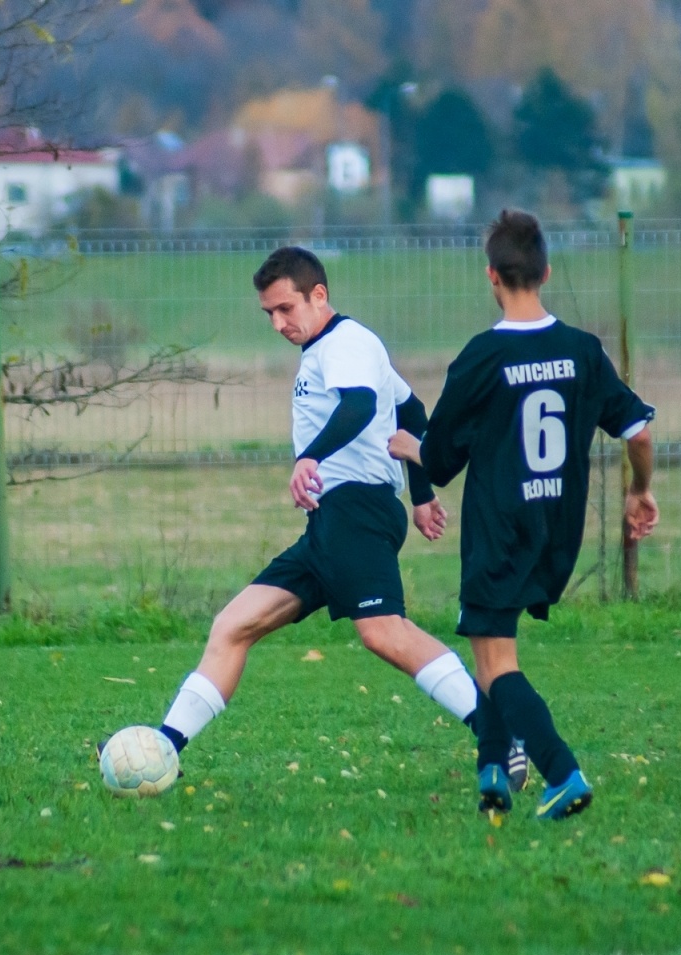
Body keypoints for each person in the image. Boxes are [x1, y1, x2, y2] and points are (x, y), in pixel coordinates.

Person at [150, 246, 525, 788]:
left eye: (286, 309)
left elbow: (360, 406)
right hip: (332, 521)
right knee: (233, 626)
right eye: (269, 314)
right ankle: (162, 747)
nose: (278, 324)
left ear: (319, 295)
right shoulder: (335, 348)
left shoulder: (346, 342)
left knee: (384, 632)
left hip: (357, 510)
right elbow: (411, 411)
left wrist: (311, 457)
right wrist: (421, 495)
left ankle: (500, 735)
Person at [389, 209, 658, 820]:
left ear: (491, 276)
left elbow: (441, 458)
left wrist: (410, 447)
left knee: (495, 663)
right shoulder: (582, 351)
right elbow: (638, 432)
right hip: (556, 528)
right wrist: (640, 490)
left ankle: (563, 773)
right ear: (546, 272)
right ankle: (492, 771)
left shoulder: (483, 357)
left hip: (500, 528)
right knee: (489, 642)